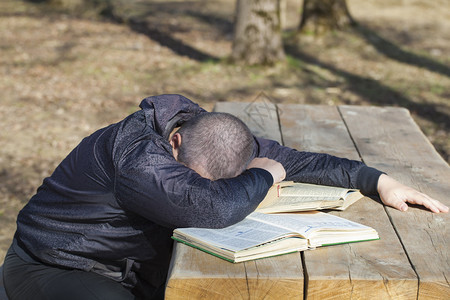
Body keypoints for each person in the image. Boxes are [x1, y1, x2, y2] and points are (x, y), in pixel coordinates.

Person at [2, 94, 447, 300]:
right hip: (57, 264)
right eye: (192, 177)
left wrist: (378, 179)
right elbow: (212, 207)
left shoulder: (212, 135)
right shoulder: (139, 160)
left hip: (129, 268)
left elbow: (300, 161)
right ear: (175, 145)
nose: (202, 184)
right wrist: (265, 175)